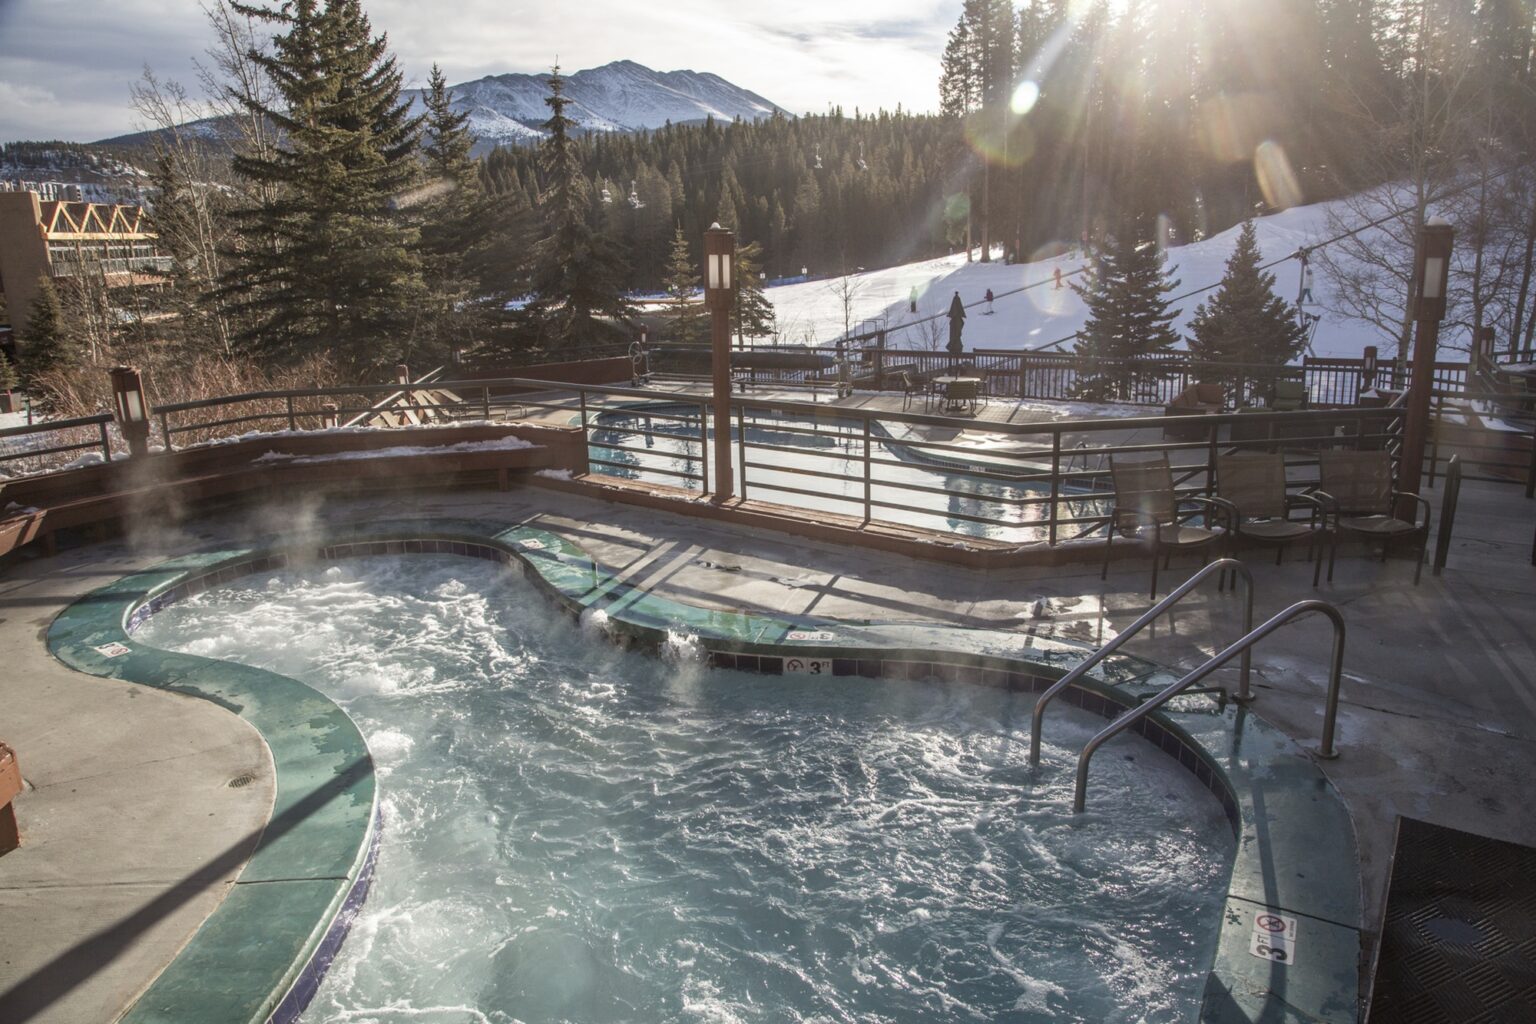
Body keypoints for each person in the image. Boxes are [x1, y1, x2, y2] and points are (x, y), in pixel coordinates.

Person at [946, 291, 965, 360]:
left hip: (956, 347)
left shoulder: (955, 321)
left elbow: (956, 332)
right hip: (956, 347)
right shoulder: (956, 321)